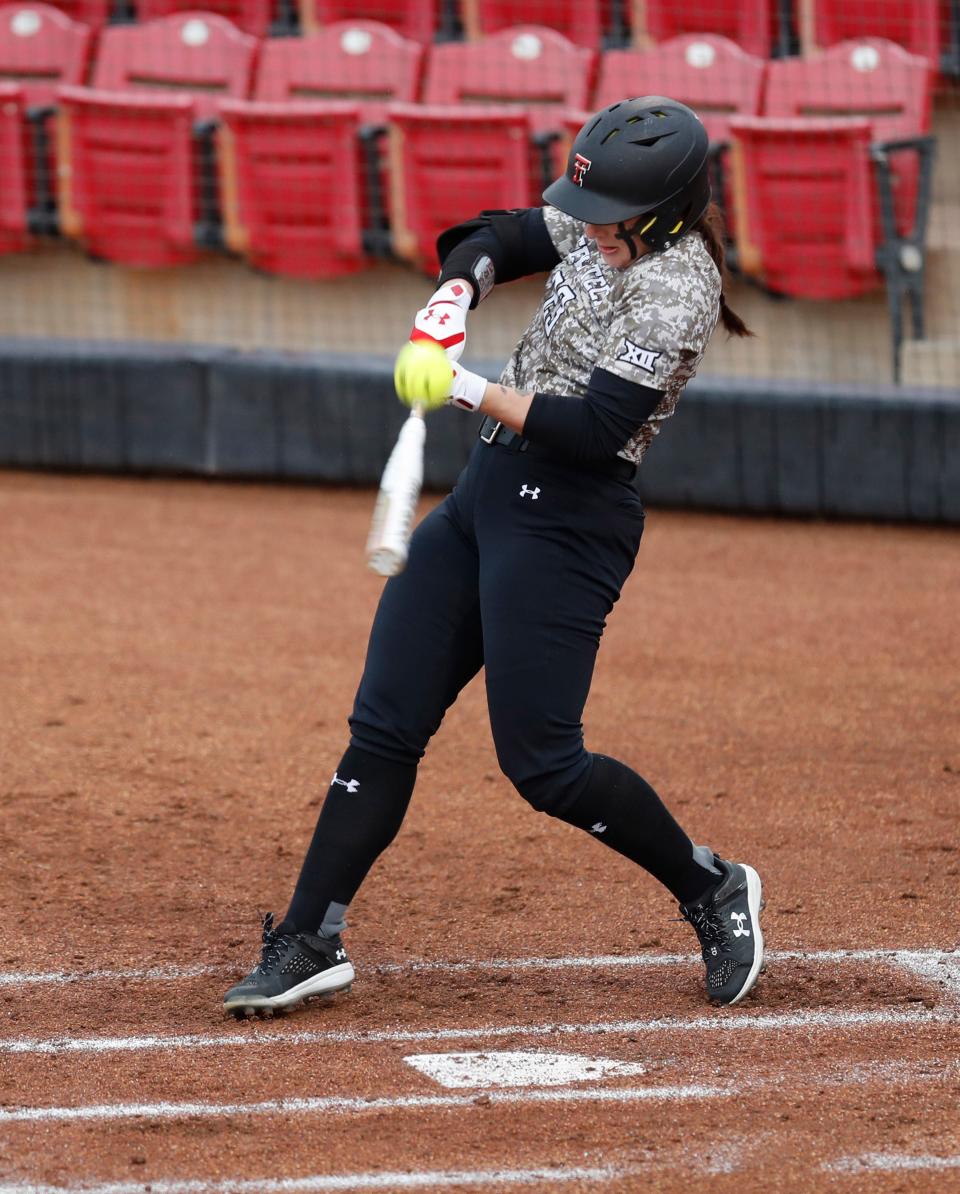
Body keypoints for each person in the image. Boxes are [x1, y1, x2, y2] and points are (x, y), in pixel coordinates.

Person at [224, 96, 764, 1018]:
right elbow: (500, 234)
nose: (587, 231)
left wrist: (463, 385)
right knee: (386, 722)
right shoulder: (603, 219)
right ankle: (310, 936)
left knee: (544, 765)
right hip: (483, 497)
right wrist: (457, 290)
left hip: (569, 518)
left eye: (608, 220)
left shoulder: (676, 286)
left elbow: (596, 431)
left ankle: (710, 887)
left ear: (665, 212)